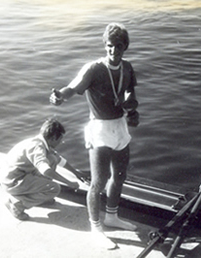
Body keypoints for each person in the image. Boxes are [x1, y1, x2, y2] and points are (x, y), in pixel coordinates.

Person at [50, 23, 139, 249]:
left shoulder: (128, 68)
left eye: (118, 46)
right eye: (110, 46)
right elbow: (72, 88)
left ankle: (112, 216)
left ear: (125, 47)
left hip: (120, 126)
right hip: (99, 128)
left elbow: (130, 93)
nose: (113, 51)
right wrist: (59, 97)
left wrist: (132, 107)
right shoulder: (94, 68)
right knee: (97, 182)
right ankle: (96, 228)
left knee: (119, 176)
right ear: (105, 46)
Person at [0, 118, 80, 221]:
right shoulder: (37, 147)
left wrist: (76, 173)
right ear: (54, 138)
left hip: (18, 175)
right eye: (60, 140)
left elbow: (58, 160)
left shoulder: (41, 142)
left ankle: (42, 198)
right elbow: (45, 170)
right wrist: (69, 183)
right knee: (54, 189)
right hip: (13, 181)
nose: (60, 142)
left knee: (52, 159)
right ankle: (16, 205)